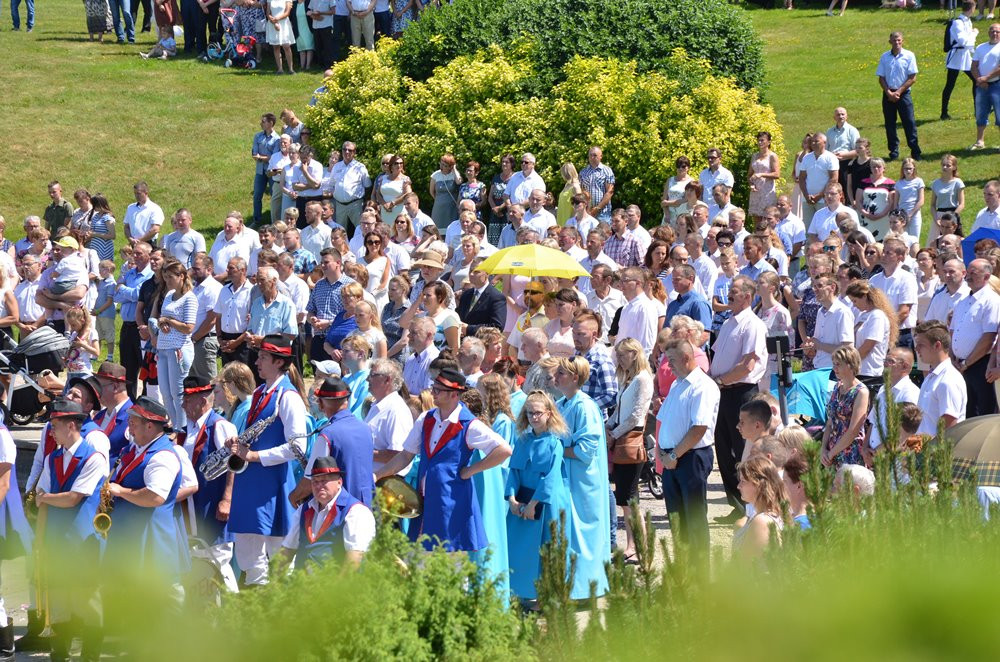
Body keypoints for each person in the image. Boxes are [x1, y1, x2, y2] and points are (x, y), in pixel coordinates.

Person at [376, 368, 513, 553]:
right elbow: (405, 455)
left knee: (451, 562)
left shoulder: (469, 424)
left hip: (452, 501)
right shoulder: (426, 418)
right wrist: (378, 474)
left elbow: (504, 450)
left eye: (438, 390)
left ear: (454, 394)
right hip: (426, 501)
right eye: (434, 388)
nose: (433, 393)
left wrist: (470, 470)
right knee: (420, 560)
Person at [224, 335, 307, 587]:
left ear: (279, 362)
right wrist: (239, 445)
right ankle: (254, 604)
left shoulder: (288, 397)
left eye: (262, 357)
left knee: (280, 554)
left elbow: (297, 447)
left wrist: (255, 456)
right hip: (251, 481)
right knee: (249, 554)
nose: (256, 362)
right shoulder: (260, 392)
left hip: (272, 482)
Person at [32, 399, 105, 662]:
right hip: (56, 540)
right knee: (59, 598)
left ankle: (90, 655)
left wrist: (45, 498)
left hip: (83, 540)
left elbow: (73, 498)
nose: (51, 432)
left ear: (71, 425)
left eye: (55, 426)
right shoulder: (53, 458)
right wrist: (39, 540)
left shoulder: (94, 457)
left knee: (87, 598)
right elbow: (42, 500)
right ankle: (60, 653)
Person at [656, 338, 718, 571]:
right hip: (673, 457)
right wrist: (664, 453)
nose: (667, 365)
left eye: (671, 360)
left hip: (692, 457)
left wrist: (673, 456)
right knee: (676, 519)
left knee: (694, 518)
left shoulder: (703, 385)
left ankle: (699, 574)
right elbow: (665, 418)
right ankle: (683, 571)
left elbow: (699, 427)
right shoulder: (677, 384)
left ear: (686, 358)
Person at [709, 275, 766, 523]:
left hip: (741, 392)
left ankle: (750, 506)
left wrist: (721, 381)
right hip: (722, 391)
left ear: (747, 296)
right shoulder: (728, 322)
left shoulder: (751, 324)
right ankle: (737, 504)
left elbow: (747, 364)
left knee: (742, 448)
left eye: (733, 291)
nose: (728, 295)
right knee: (722, 448)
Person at [552, 357, 610, 598]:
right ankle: (570, 586)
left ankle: (587, 588)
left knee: (584, 532)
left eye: (561, 374)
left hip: (583, 481)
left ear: (575, 378)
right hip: (568, 478)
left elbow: (586, 451)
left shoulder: (584, 406)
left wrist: (555, 450)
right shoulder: (564, 402)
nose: (555, 379)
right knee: (570, 532)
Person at [505, 390, 570, 601]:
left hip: (544, 504)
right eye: (530, 413)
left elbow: (550, 479)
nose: (534, 417)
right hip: (522, 501)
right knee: (519, 549)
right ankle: (521, 593)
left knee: (545, 550)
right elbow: (513, 472)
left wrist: (533, 504)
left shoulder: (555, 443)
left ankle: (543, 598)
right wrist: (512, 499)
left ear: (549, 414)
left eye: (538, 413)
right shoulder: (522, 441)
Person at [177, 376, 240, 593]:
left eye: (188, 399)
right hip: (194, 507)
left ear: (203, 400)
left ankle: (234, 609)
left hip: (212, 505)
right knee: (201, 561)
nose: (183, 404)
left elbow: (234, 464)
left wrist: (227, 499)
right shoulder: (190, 429)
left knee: (218, 561)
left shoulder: (221, 426)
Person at [280, 455, 375, 570]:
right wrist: (275, 583)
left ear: (339, 482)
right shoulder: (303, 510)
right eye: (314, 481)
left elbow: (354, 560)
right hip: (301, 584)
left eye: (324, 481)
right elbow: (287, 550)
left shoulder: (356, 512)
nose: (319, 486)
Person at [607, 338, 652, 562]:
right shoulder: (629, 379)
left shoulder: (643, 379)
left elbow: (635, 415)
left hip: (630, 439)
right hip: (621, 435)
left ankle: (638, 545)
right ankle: (634, 544)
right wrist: (607, 427)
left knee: (630, 498)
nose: (620, 359)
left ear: (635, 354)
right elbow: (619, 410)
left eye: (624, 355)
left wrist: (613, 434)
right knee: (625, 499)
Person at [950, 258, 1000, 417]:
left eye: (974, 273)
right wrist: (952, 358)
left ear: (986, 277)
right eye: (968, 272)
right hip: (960, 365)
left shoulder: (991, 301)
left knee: (984, 413)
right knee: (966, 410)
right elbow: (952, 330)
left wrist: (967, 363)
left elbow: (989, 337)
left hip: (980, 365)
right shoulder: (963, 301)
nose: (968, 276)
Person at [821, 346, 869, 469]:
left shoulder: (861, 392)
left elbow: (853, 430)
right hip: (832, 452)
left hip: (850, 453)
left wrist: (831, 453)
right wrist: (823, 449)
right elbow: (830, 421)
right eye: (834, 364)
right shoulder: (837, 387)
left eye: (838, 364)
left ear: (850, 365)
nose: (834, 368)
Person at [877, 32, 922, 161]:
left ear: (902, 41)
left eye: (899, 40)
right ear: (890, 42)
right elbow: (881, 78)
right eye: (894, 40)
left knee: (909, 123)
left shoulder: (909, 56)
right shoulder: (885, 57)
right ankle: (893, 151)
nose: (897, 43)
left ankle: (915, 150)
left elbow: (912, 78)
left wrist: (899, 92)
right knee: (890, 124)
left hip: (904, 94)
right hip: (888, 94)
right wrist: (889, 93)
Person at [845, 280, 897, 391]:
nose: (854, 305)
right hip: (860, 370)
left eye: (855, 301)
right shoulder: (863, 315)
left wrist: (851, 363)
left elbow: (868, 345)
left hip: (870, 372)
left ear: (864, 297)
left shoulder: (877, 316)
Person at [732, 456, 786, 563]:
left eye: (743, 481)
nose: (738, 486)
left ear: (759, 485)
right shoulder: (760, 515)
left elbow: (745, 565)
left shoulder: (762, 521)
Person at [365, 358, 413, 475]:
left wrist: (363, 452)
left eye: (372, 375)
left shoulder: (396, 410)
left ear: (387, 379)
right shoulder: (377, 406)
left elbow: (398, 454)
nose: (367, 379)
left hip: (387, 485)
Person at [870, 238, 918, 347]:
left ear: (899, 257)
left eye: (888, 253)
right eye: (883, 252)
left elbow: (904, 312)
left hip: (900, 335)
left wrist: (888, 331)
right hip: (877, 333)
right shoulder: (874, 280)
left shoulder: (907, 279)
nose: (883, 255)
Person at [804, 274, 854, 369]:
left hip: (835, 370)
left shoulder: (842, 312)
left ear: (832, 287)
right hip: (819, 367)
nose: (815, 290)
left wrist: (820, 346)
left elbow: (848, 349)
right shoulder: (820, 312)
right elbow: (816, 341)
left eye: (819, 286)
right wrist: (809, 346)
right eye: (814, 286)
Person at [970, 23, 1000, 150]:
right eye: (992, 31)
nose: (995, 34)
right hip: (982, 86)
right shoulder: (981, 47)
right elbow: (974, 66)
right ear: (988, 33)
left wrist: (986, 78)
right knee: (981, 113)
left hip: (997, 85)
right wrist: (980, 80)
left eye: (997, 32)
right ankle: (979, 141)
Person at [748, 131, 780, 223]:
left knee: (767, 218)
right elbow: (749, 174)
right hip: (756, 191)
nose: (760, 142)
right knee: (756, 220)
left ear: (768, 142)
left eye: (762, 140)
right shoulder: (754, 156)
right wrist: (751, 185)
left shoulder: (772, 156)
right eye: (758, 140)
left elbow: (777, 174)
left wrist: (761, 174)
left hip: (767, 191)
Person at [579, 146, 615, 223]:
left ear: (601, 156)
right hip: (587, 212)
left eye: (595, 155)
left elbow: (610, 192)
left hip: (603, 213)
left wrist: (597, 208)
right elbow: (582, 192)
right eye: (590, 155)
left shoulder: (607, 171)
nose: (592, 157)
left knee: (604, 234)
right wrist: (587, 209)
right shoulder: (583, 172)